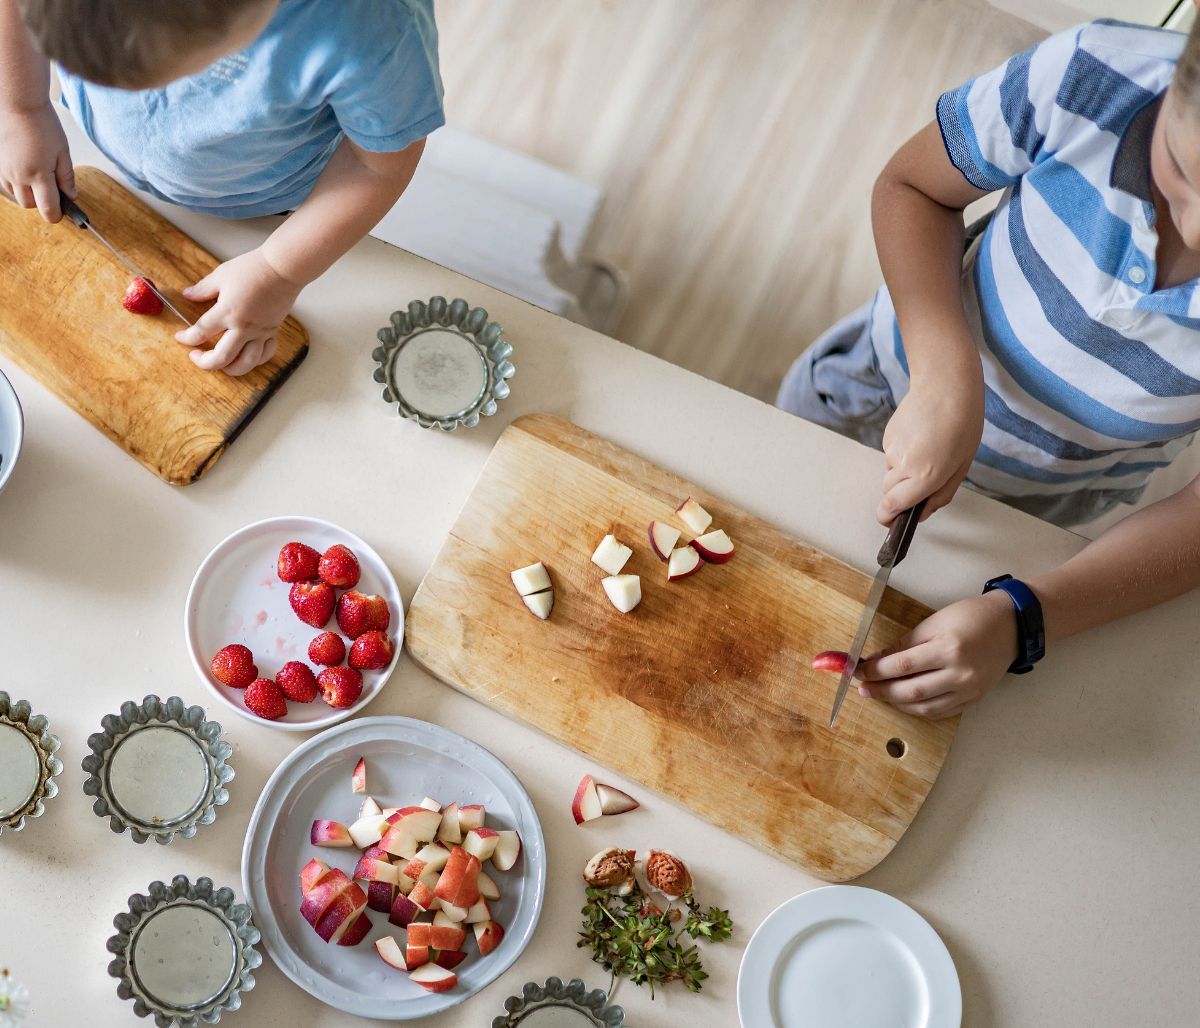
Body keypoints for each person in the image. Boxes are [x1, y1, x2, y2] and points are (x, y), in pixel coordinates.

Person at [778, 16, 1200, 719]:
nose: (1194, 229)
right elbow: (912, 187)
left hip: (1037, 511)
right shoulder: (1093, 72)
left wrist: (1025, 619)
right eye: (1184, 173)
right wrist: (945, 371)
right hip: (871, 391)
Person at [0, 0, 442, 375]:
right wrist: (21, 108)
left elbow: (375, 166)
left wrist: (277, 270)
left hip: (260, 207)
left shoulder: (373, 26)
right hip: (108, 164)